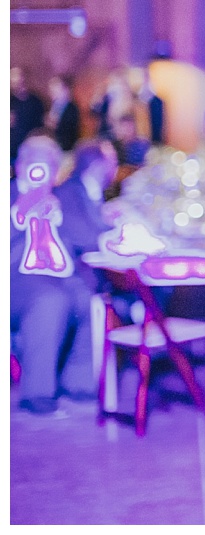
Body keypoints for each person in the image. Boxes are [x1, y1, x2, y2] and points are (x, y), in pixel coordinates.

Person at [10, 135, 98, 414]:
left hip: (61, 275)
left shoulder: (64, 197)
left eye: (49, 164)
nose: (41, 170)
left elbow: (88, 237)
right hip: (16, 278)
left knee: (88, 301)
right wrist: (23, 207)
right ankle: (37, 391)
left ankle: (78, 381)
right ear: (20, 166)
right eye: (34, 163)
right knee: (50, 299)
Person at [10, 67, 45, 165]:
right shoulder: (9, 101)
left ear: (23, 78)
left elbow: (40, 127)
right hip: (11, 152)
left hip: (31, 152)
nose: (13, 79)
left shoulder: (36, 101)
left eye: (15, 76)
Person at [46, 75, 82, 153]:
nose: (52, 91)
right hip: (53, 149)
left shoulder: (72, 108)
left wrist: (56, 124)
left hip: (66, 150)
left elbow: (71, 131)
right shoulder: (52, 106)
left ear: (65, 89)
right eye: (51, 88)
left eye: (55, 88)